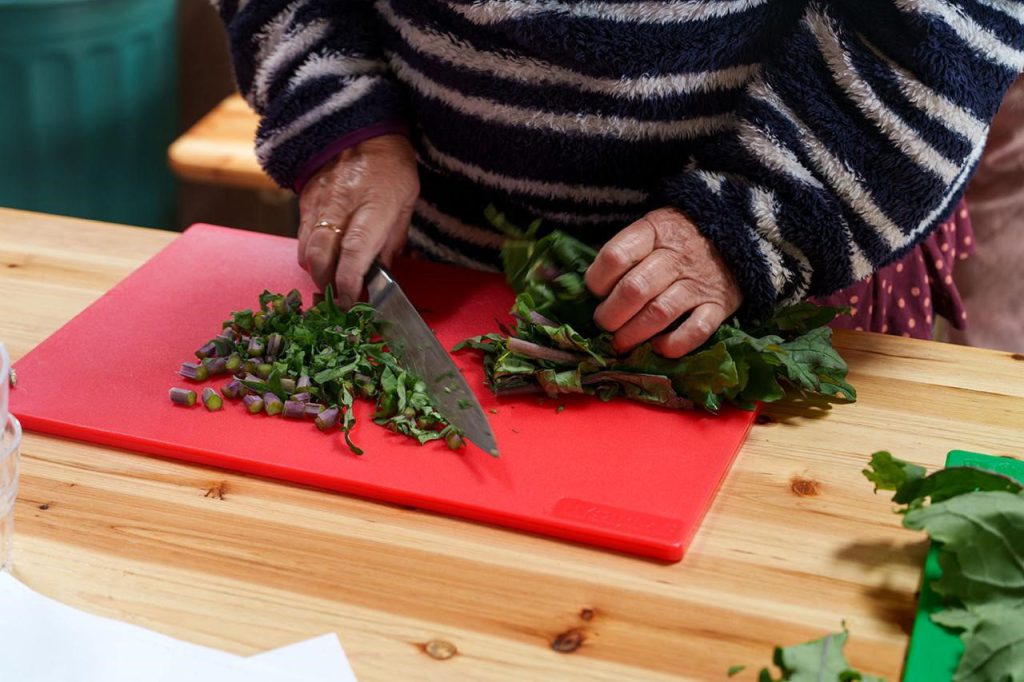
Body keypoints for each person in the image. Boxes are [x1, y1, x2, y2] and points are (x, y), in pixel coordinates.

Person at [211, 0, 1023, 356]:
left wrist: (757, 223)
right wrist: (337, 107)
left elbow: (949, 20)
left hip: (787, 265)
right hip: (431, 272)